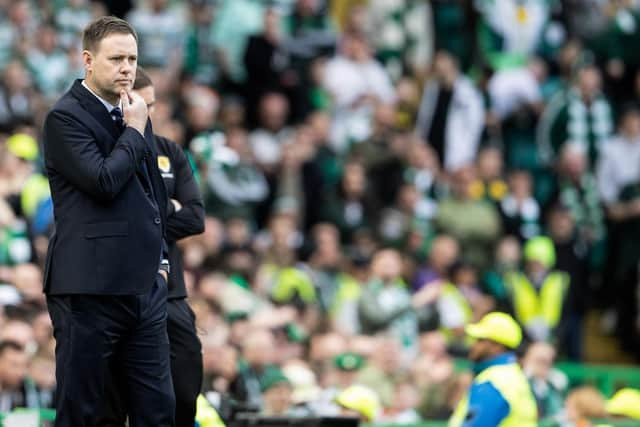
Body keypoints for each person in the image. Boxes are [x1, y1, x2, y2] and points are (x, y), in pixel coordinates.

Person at [42, 16, 174, 426]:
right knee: (84, 410)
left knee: (159, 410)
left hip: (143, 288)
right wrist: (135, 129)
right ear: (87, 60)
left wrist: (163, 263)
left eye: (132, 59)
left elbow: (154, 193)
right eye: (116, 58)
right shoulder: (64, 118)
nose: (127, 68)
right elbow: (103, 180)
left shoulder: (133, 111)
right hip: (89, 290)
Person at [100, 67, 205, 426]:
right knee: (117, 394)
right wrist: (165, 210)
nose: (153, 112)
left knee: (186, 388)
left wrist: (149, 221)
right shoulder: (108, 151)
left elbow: (196, 217)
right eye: (147, 104)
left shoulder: (170, 152)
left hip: (171, 292)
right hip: (121, 292)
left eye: (156, 104)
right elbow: (112, 215)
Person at [449, 312, 538, 427]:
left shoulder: (494, 380)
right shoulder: (513, 375)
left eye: (480, 340)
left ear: (497, 345)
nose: (473, 345)